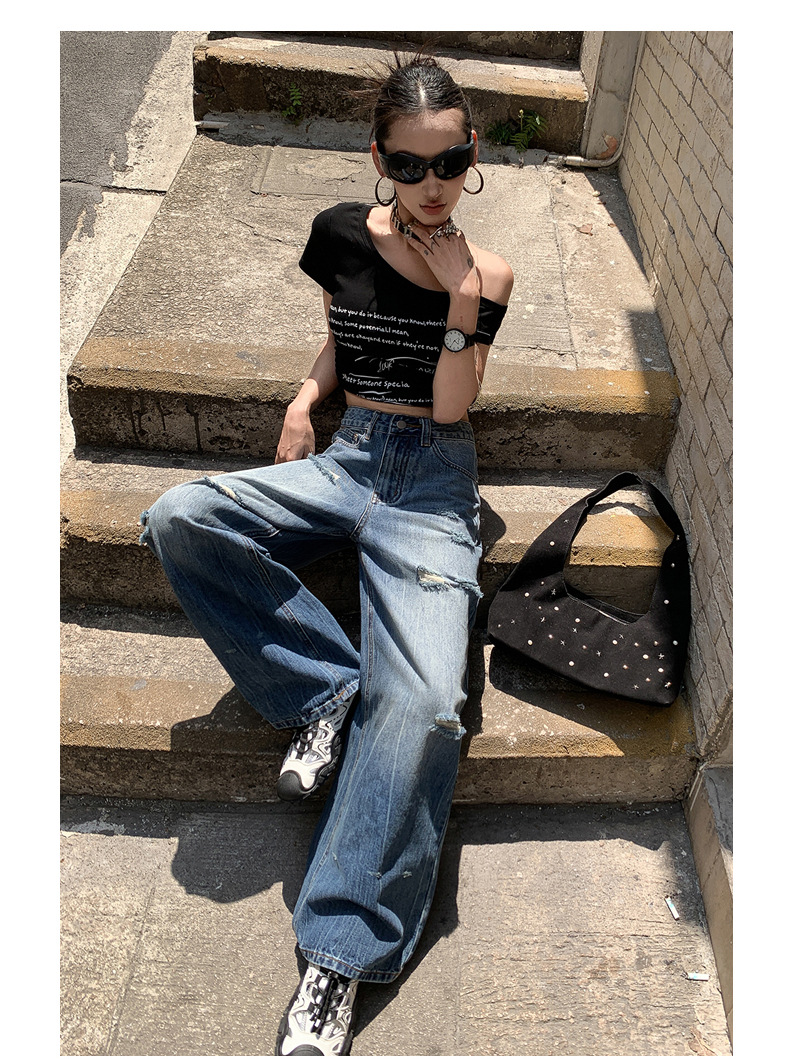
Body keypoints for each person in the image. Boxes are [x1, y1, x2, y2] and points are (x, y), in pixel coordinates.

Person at [139, 49, 513, 1056]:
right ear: (378, 158)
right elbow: (344, 335)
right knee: (180, 514)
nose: (431, 186)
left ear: (472, 155)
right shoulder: (340, 234)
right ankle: (324, 692)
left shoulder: (488, 273)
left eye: (450, 162)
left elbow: (451, 406)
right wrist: (308, 399)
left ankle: (337, 959)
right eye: (409, 165)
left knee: (426, 703)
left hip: (432, 483)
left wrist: (460, 301)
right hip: (349, 458)